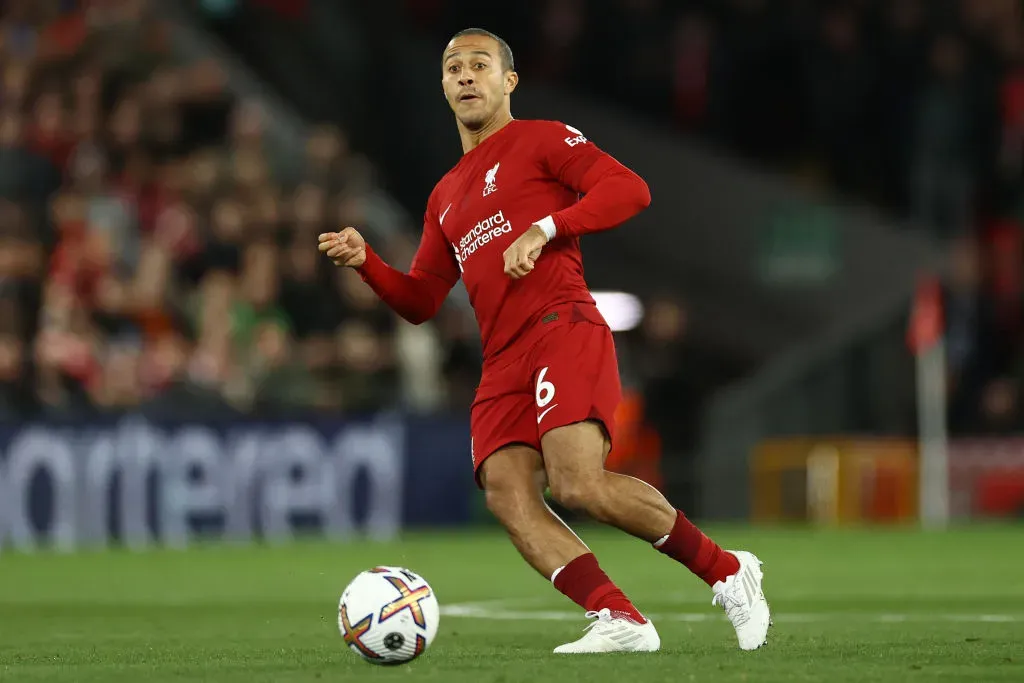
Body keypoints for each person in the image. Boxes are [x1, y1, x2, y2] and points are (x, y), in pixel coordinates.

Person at [318, 28, 770, 654]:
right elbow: (421, 300)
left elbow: (629, 190)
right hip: (502, 357)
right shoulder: (445, 196)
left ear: (509, 81)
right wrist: (367, 259)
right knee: (507, 492)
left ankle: (728, 571)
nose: (466, 75)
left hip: (562, 326)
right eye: (454, 68)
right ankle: (619, 619)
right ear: (444, 87)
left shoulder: (542, 139)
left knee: (577, 483)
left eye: (481, 65)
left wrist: (547, 226)